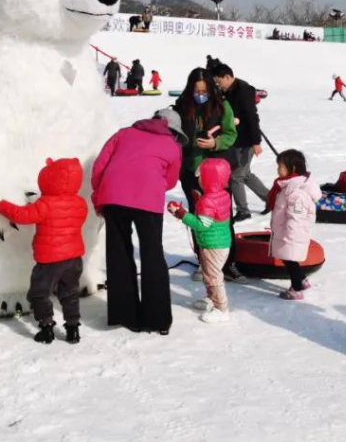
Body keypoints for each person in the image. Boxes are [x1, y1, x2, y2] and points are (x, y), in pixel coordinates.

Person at [91, 109, 184, 334]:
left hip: (113, 197)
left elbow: (99, 167)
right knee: (152, 255)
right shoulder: (173, 146)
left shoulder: (123, 134)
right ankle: (157, 320)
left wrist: (99, 196)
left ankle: (125, 315)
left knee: (119, 254)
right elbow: (170, 181)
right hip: (148, 200)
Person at [0, 158, 87, 344]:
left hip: (50, 260)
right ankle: (73, 329)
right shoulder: (80, 203)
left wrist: (1, 206)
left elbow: (22, 216)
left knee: (39, 293)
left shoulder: (45, 204)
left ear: (50, 178)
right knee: (69, 293)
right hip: (74, 258)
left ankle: (46, 329)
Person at [172, 68, 238, 279]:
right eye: (196, 90)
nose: (200, 94)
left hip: (216, 173)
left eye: (204, 90)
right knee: (197, 216)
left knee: (222, 217)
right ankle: (203, 260)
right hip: (191, 170)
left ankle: (227, 263)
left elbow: (230, 134)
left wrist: (214, 142)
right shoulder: (183, 107)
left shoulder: (222, 106)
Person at [167, 158, 233, 323]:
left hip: (212, 245)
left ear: (211, 179)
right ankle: (211, 298)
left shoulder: (208, 201)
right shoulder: (222, 195)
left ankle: (221, 308)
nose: (199, 180)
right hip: (220, 242)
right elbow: (212, 215)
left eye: (202, 177)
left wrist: (181, 214)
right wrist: (200, 202)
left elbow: (202, 225)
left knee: (213, 276)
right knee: (208, 274)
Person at [213, 63, 268, 223]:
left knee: (236, 176)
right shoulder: (229, 90)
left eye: (219, 81)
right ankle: (271, 199)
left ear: (228, 77)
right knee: (245, 174)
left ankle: (243, 211)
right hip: (237, 139)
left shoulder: (242, 90)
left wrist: (256, 142)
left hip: (247, 140)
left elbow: (252, 117)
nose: (218, 85)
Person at [266, 149, 321, 300]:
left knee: (291, 261)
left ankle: (297, 289)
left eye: (280, 166)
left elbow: (296, 218)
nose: (278, 170)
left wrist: (290, 237)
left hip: (291, 234)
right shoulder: (287, 186)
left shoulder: (296, 193)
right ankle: (302, 281)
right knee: (288, 259)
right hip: (284, 230)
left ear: (293, 168)